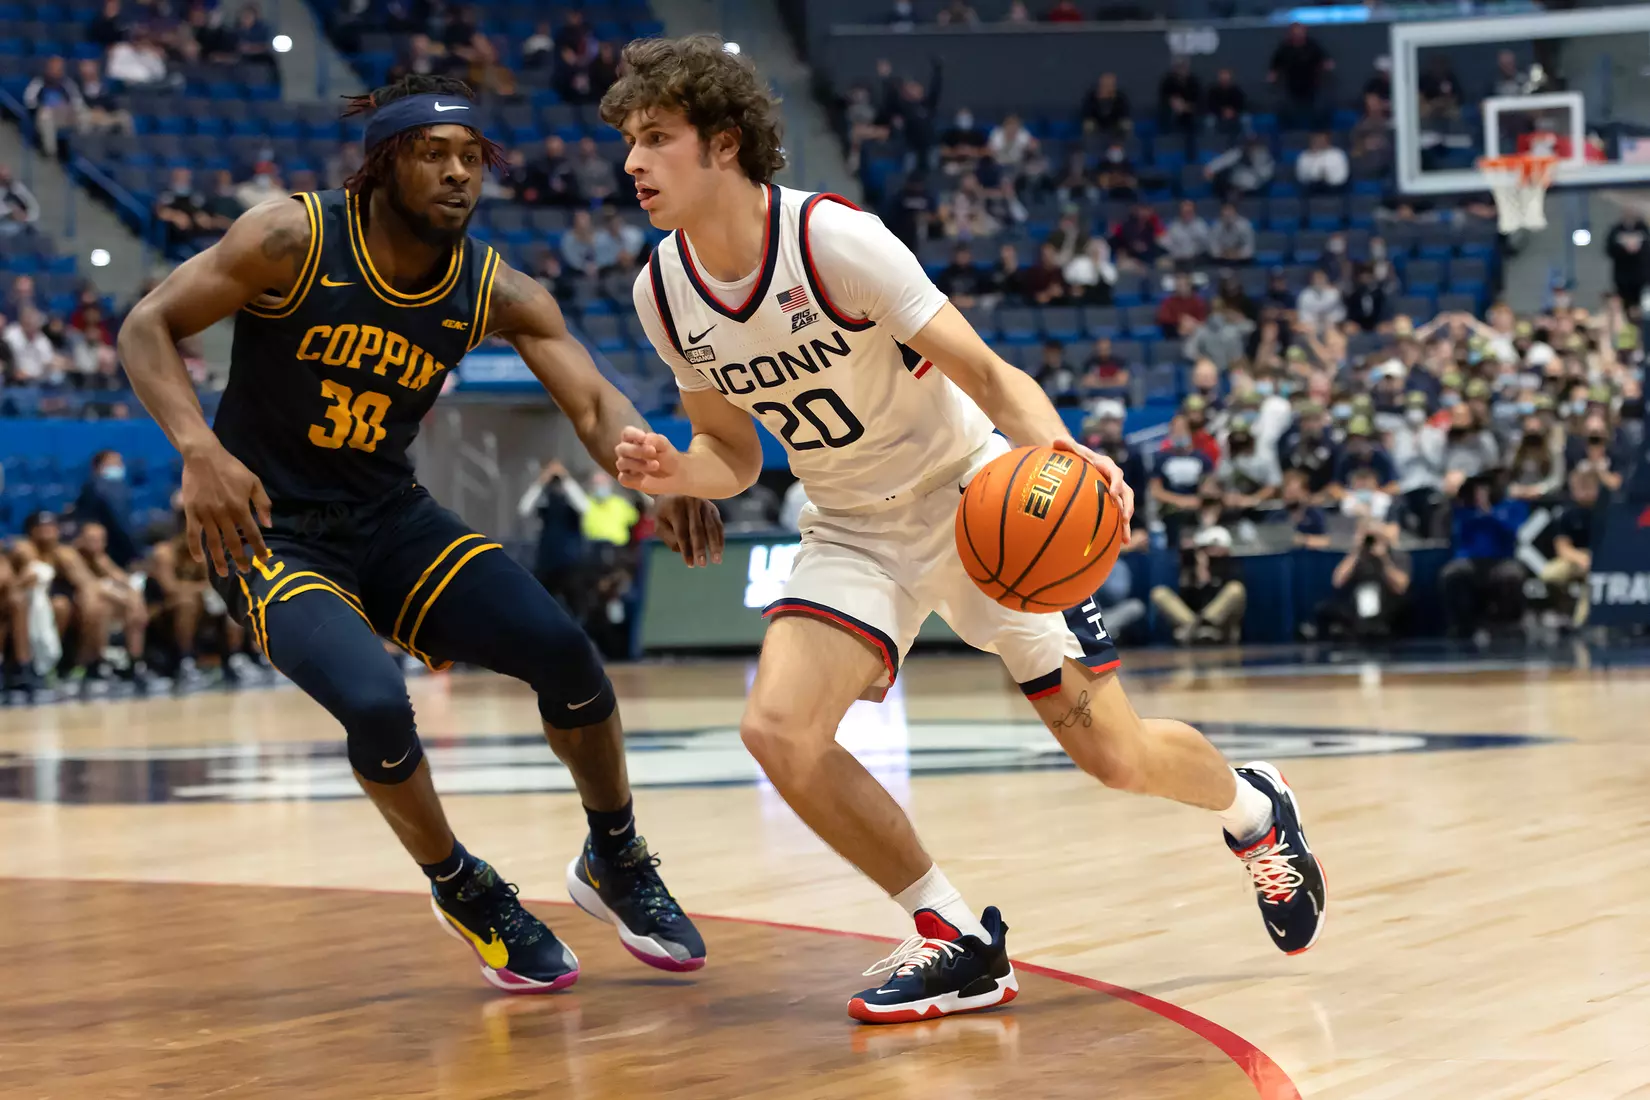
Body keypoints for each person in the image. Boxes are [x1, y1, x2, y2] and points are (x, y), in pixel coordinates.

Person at [606, 34, 1325, 1023]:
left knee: (1116, 757)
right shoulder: (661, 291)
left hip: (973, 503)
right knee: (777, 729)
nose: (633, 161)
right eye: (630, 141)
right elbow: (731, 451)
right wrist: (678, 470)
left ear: (723, 144)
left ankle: (1254, 809)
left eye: (656, 137)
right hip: (851, 528)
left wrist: (1066, 455)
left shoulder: (832, 241)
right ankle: (955, 935)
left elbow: (986, 371)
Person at [115, 75, 725, 994]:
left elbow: (595, 401)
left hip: (390, 517)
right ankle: (462, 885)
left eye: (471, 157)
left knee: (566, 654)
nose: (458, 173)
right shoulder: (291, 237)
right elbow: (147, 325)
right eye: (433, 155)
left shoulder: (489, 286)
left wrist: (661, 468)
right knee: (374, 704)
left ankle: (616, 856)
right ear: (382, 165)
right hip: (273, 532)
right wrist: (198, 448)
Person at [1315, 516, 1410, 641]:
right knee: (1324, 609)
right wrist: (1356, 551)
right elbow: (1337, 581)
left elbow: (1401, 587)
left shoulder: (1395, 555)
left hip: (1386, 601)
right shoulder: (1356, 556)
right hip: (1356, 603)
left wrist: (1384, 559)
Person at [1150, 525, 1247, 644]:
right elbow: (1188, 600)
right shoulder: (1192, 567)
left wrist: (1208, 579)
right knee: (1159, 593)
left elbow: (1228, 601)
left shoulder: (1232, 568)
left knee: (1235, 589)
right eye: (1206, 548)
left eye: (1214, 547)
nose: (1211, 551)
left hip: (1221, 628)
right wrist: (1199, 575)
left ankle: (1204, 625)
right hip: (1192, 623)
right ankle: (1198, 628)